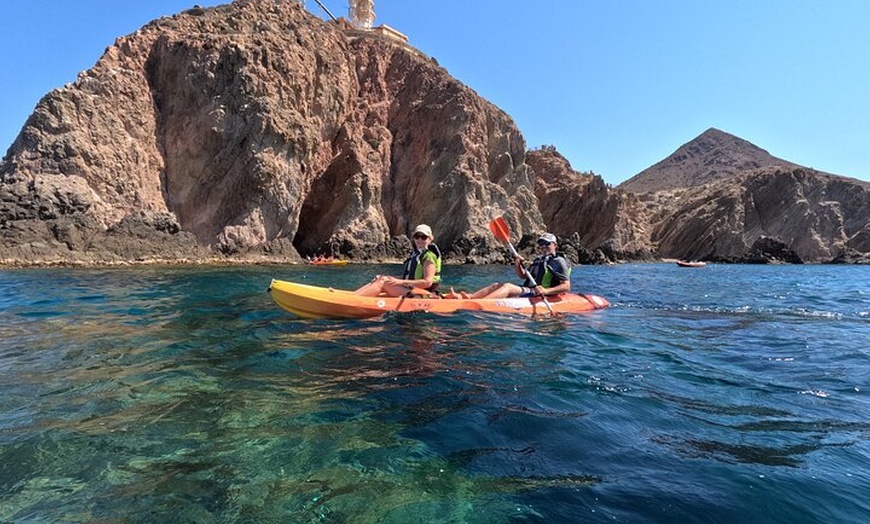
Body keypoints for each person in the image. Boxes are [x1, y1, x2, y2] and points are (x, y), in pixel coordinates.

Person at [459, 232, 570, 299]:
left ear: (555, 245)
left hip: (540, 294)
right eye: (541, 244)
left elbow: (566, 286)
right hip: (530, 290)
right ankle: (470, 297)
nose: (543, 247)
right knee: (496, 285)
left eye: (546, 244)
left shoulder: (558, 261)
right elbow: (523, 276)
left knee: (507, 287)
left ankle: (481, 303)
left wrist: (546, 291)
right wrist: (518, 264)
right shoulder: (539, 260)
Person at [353, 224, 442, 297]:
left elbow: (427, 282)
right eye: (417, 236)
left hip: (424, 294)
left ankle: (353, 300)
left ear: (430, 239)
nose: (419, 239)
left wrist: (401, 282)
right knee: (381, 279)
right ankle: (353, 296)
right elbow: (410, 277)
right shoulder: (416, 254)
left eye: (424, 237)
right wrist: (392, 279)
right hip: (412, 289)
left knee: (383, 282)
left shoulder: (429, 256)